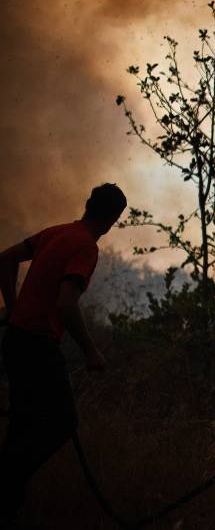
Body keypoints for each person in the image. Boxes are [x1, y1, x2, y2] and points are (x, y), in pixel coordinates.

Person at [0, 183, 127, 527]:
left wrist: (14, 309)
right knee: (61, 423)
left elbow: (4, 259)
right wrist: (91, 351)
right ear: (114, 219)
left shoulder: (57, 232)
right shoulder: (85, 247)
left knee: (22, 426)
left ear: (87, 204)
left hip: (14, 341)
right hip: (38, 347)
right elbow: (66, 304)